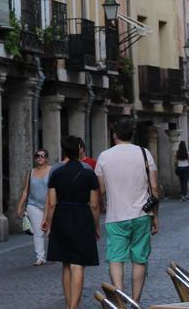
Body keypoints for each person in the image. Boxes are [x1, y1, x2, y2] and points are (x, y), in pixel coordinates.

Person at [96, 119, 159, 304]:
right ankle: (135, 300)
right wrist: (155, 215)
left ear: (114, 135)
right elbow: (154, 188)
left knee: (116, 258)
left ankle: (120, 297)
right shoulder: (144, 153)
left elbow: (101, 190)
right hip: (141, 214)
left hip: (115, 216)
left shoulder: (104, 156)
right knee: (139, 259)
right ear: (132, 134)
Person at [44, 136, 100, 309]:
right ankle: (74, 306)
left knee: (65, 263)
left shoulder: (56, 173)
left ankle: (69, 304)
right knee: (78, 265)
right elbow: (95, 204)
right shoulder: (89, 173)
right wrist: (96, 226)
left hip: (62, 216)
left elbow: (52, 203)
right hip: (82, 216)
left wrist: (49, 222)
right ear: (80, 150)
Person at [16, 148, 52, 265]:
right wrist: (20, 206)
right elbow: (25, 191)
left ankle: (55, 254)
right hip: (33, 205)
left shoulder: (52, 171)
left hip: (50, 204)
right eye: (38, 156)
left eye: (43, 156)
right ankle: (40, 257)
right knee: (38, 231)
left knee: (51, 230)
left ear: (46, 158)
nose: (40, 158)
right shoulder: (31, 172)